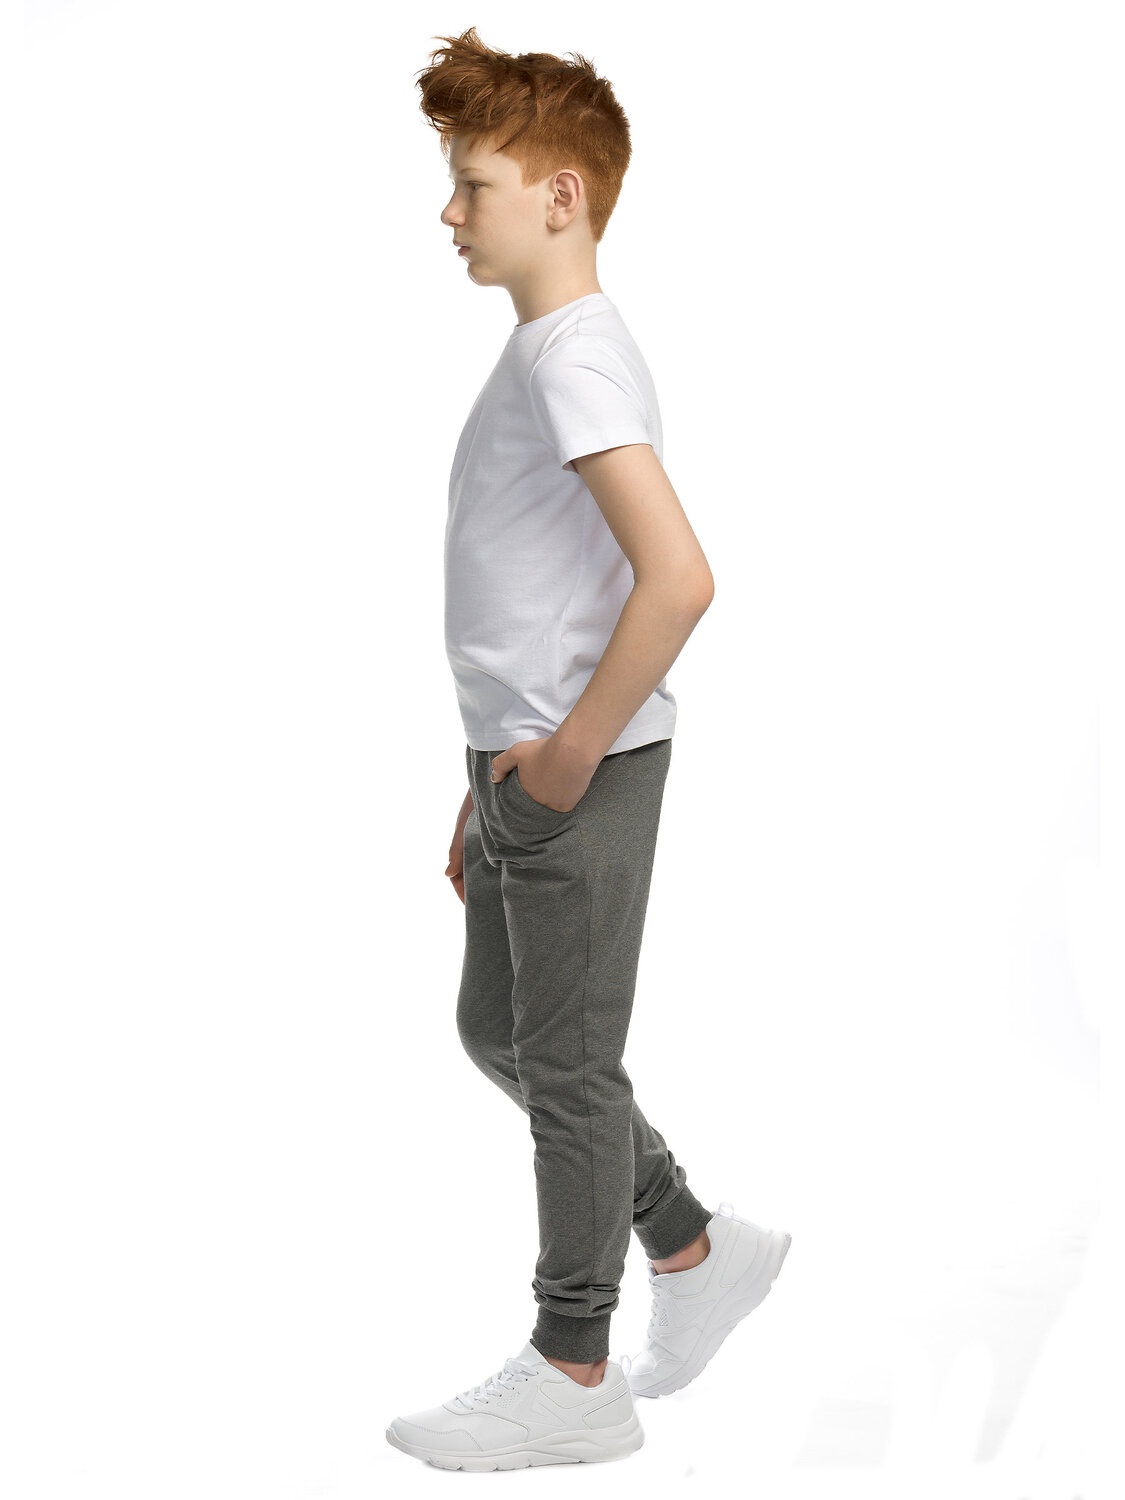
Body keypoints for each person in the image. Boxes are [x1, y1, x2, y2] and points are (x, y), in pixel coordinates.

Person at [386, 27, 791, 1472]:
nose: (447, 211)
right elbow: (542, 591)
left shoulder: (576, 361)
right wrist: (491, 773)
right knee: (503, 1034)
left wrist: (562, 759)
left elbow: (678, 577)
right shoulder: (546, 353)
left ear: (561, 197)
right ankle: (693, 1245)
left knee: (564, 1066)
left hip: (574, 771)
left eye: (473, 184)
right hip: (519, 765)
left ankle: (575, 1367)